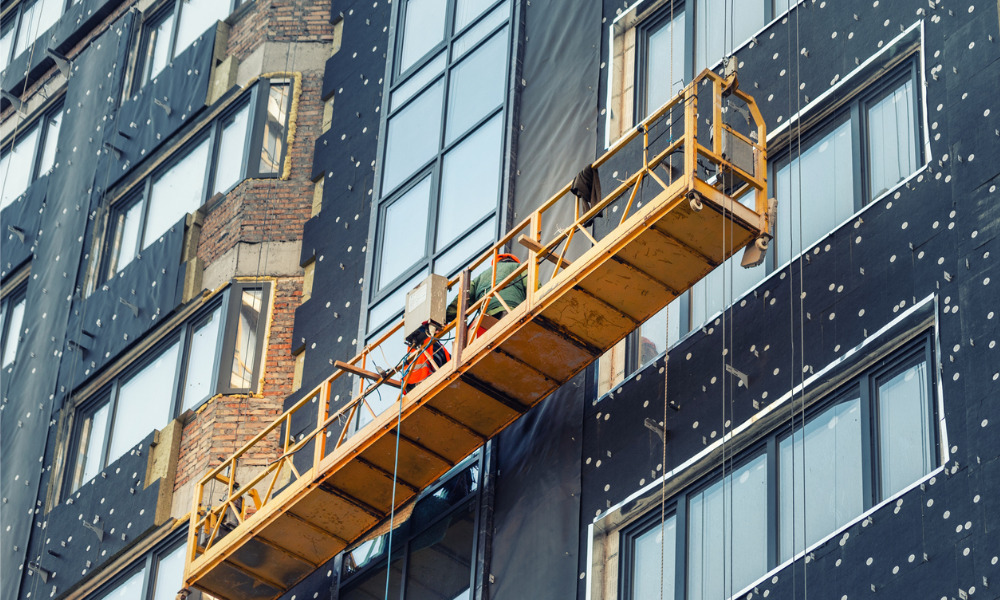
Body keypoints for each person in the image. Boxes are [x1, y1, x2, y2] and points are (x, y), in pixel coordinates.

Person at [445, 253, 527, 331]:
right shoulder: (518, 267)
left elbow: (463, 298)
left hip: (486, 316)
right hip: (511, 309)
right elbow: (531, 282)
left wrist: (446, 318)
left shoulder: (481, 277)